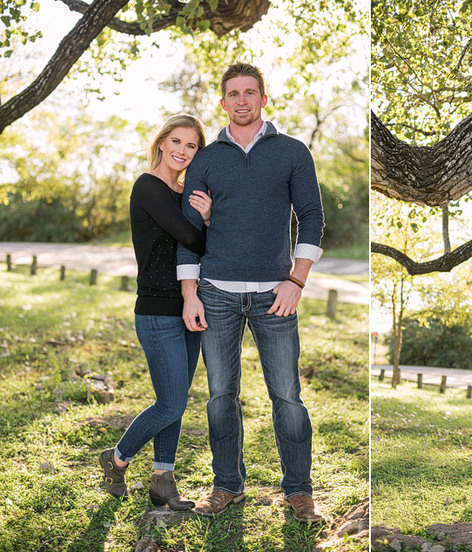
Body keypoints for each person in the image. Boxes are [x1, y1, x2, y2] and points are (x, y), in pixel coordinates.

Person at [176, 62, 325, 522]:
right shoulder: (204, 158)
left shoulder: (293, 152)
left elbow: (313, 216)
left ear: (264, 99)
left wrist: (296, 280)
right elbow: (187, 230)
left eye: (250, 92)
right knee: (221, 394)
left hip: (275, 295)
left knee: (287, 396)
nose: (242, 100)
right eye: (233, 94)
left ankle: (298, 491)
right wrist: (190, 294)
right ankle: (227, 486)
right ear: (223, 102)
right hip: (215, 291)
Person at [99, 114, 212, 510]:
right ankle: (116, 459)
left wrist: (208, 217)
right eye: (177, 142)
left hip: (191, 307)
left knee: (175, 396)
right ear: (162, 142)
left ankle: (163, 479)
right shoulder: (148, 187)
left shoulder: (187, 193)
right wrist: (210, 218)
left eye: (192, 145)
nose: (182, 151)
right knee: (171, 403)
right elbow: (193, 238)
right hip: (157, 310)